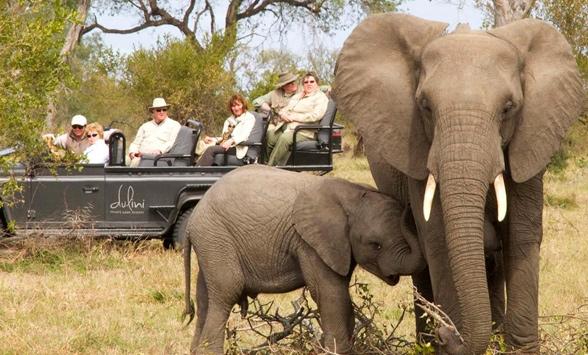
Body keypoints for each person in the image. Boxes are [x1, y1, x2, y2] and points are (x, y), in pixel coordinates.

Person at [266, 71, 328, 166]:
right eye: (306, 82)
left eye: (312, 82)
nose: (309, 84)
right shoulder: (297, 96)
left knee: (284, 138)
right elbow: (284, 109)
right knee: (270, 135)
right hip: (286, 126)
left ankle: (269, 167)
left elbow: (316, 115)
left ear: (317, 83)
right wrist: (283, 115)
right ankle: (263, 163)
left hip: (304, 130)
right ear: (303, 84)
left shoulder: (320, 97)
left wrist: (296, 117)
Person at [196, 94, 256, 166]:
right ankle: (193, 167)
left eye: (238, 105)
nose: (236, 108)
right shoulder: (229, 120)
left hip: (238, 148)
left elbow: (245, 136)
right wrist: (212, 139)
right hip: (227, 146)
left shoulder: (249, 118)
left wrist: (231, 141)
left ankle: (197, 172)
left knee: (211, 149)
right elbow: (224, 138)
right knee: (201, 144)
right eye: (233, 106)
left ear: (243, 105)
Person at [128, 98, 181, 167]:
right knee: (123, 160)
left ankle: (130, 177)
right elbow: (135, 143)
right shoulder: (145, 126)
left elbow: (172, 142)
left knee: (135, 162)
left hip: (157, 158)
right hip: (141, 155)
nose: (162, 112)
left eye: (164, 109)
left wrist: (159, 150)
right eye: (159, 110)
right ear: (153, 112)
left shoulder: (174, 125)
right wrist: (132, 152)